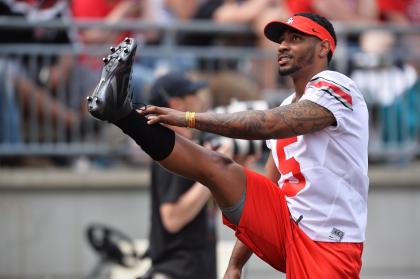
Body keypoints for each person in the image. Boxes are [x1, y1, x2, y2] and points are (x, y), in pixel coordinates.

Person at [87, 13, 369, 278]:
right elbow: (268, 189)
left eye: (295, 39)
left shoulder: (336, 85)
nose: (282, 46)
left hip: (330, 241)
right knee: (217, 166)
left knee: (220, 165)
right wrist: (235, 265)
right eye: (281, 40)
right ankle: (123, 114)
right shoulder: (287, 105)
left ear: (323, 48)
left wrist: (190, 119)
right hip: (288, 225)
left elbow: (270, 123)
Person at [139, 72, 218, 279]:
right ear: (176, 103)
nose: (200, 101)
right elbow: (172, 218)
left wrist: (228, 172)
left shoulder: (186, 149)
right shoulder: (171, 150)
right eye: (192, 94)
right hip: (177, 271)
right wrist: (212, 174)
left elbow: (206, 208)